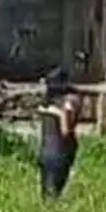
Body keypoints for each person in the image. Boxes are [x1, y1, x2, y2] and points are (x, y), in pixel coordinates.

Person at [36, 67, 81, 200]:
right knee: (52, 194)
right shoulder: (64, 101)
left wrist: (55, 112)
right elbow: (66, 130)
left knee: (48, 195)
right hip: (55, 151)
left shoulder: (53, 103)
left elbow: (64, 130)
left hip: (51, 151)